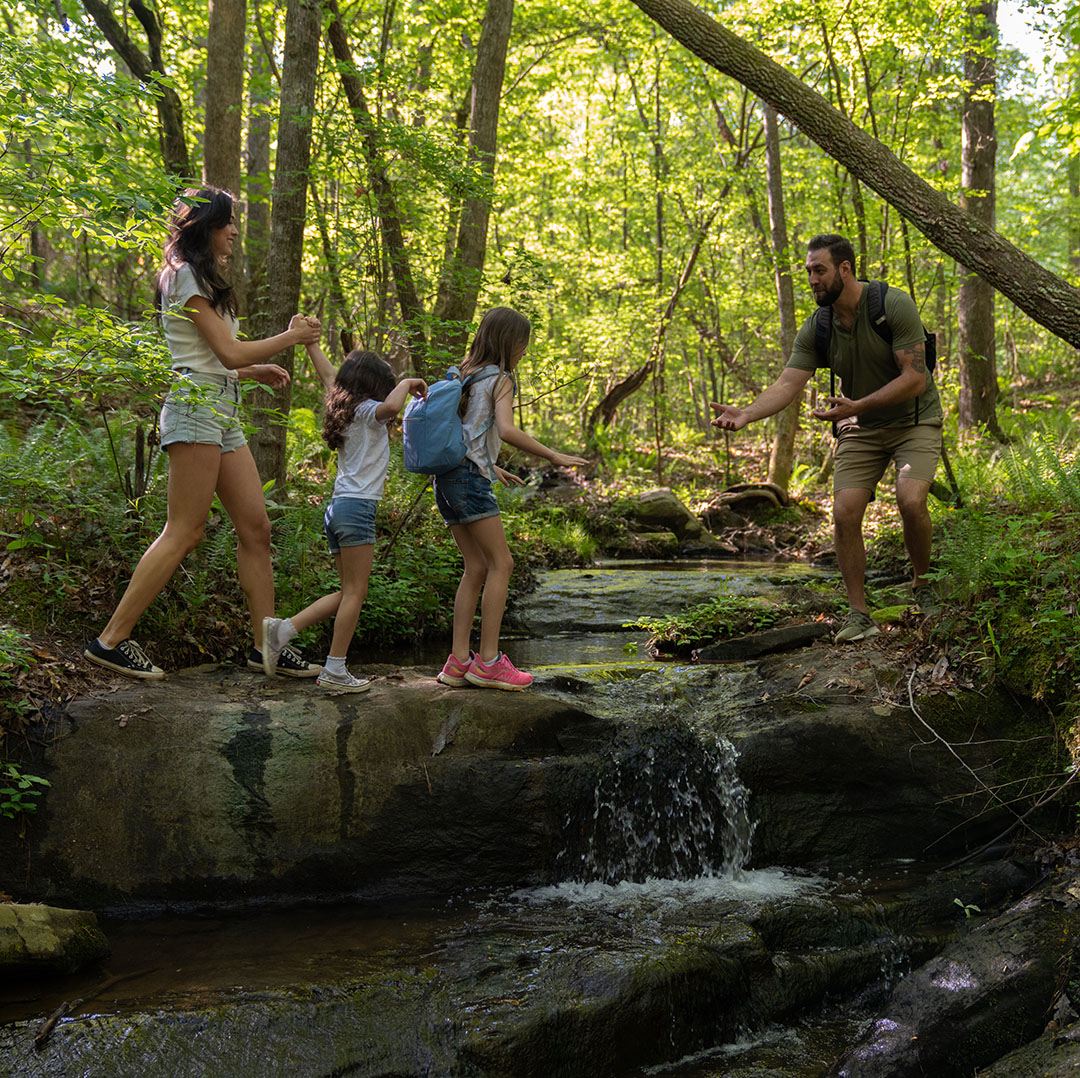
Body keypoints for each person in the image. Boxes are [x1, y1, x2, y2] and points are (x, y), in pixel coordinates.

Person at [84, 186, 322, 679]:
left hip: (218, 404)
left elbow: (215, 358)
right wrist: (291, 338)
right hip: (194, 408)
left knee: (255, 526)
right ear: (204, 227)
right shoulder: (184, 275)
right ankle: (111, 640)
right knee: (186, 529)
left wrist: (248, 373)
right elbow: (227, 352)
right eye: (227, 222)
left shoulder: (201, 276)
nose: (234, 231)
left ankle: (266, 646)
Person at [710, 233, 944, 644]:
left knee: (910, 500)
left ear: (845, 268)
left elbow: (916, 380)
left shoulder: (893, 305)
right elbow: (788, 382)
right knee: (845, 512)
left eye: (819, 270)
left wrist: (857, 405)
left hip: (914, 421)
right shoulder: (819, 326)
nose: (812, 280)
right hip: (860, 430)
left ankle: (924, 587)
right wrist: (746, 414)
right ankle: (859, 613)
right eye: (808, 272)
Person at [434, 306, 589, 690]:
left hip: (448, 478)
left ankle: (458, 662)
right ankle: (488, 661)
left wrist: (491, 467)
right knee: (502, 564)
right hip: (468, 479)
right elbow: (504, 429)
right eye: (523, 343)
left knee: (475, 566)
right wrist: (553, 454)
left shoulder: (462, 373)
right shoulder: (501, 378)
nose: (525, 351)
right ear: (509, 341)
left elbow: (466, 432)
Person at [260, 340, 427, 692]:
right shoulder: (367, 411)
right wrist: (408, 382)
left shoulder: (345, 407)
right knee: (355, 594)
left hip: (337, 509)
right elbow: (392, 406)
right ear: (373, 387)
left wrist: (311, 344)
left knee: (349, 591)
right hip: (356, 508)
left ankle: (281, 631)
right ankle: (334, 670)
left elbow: (327, 376)